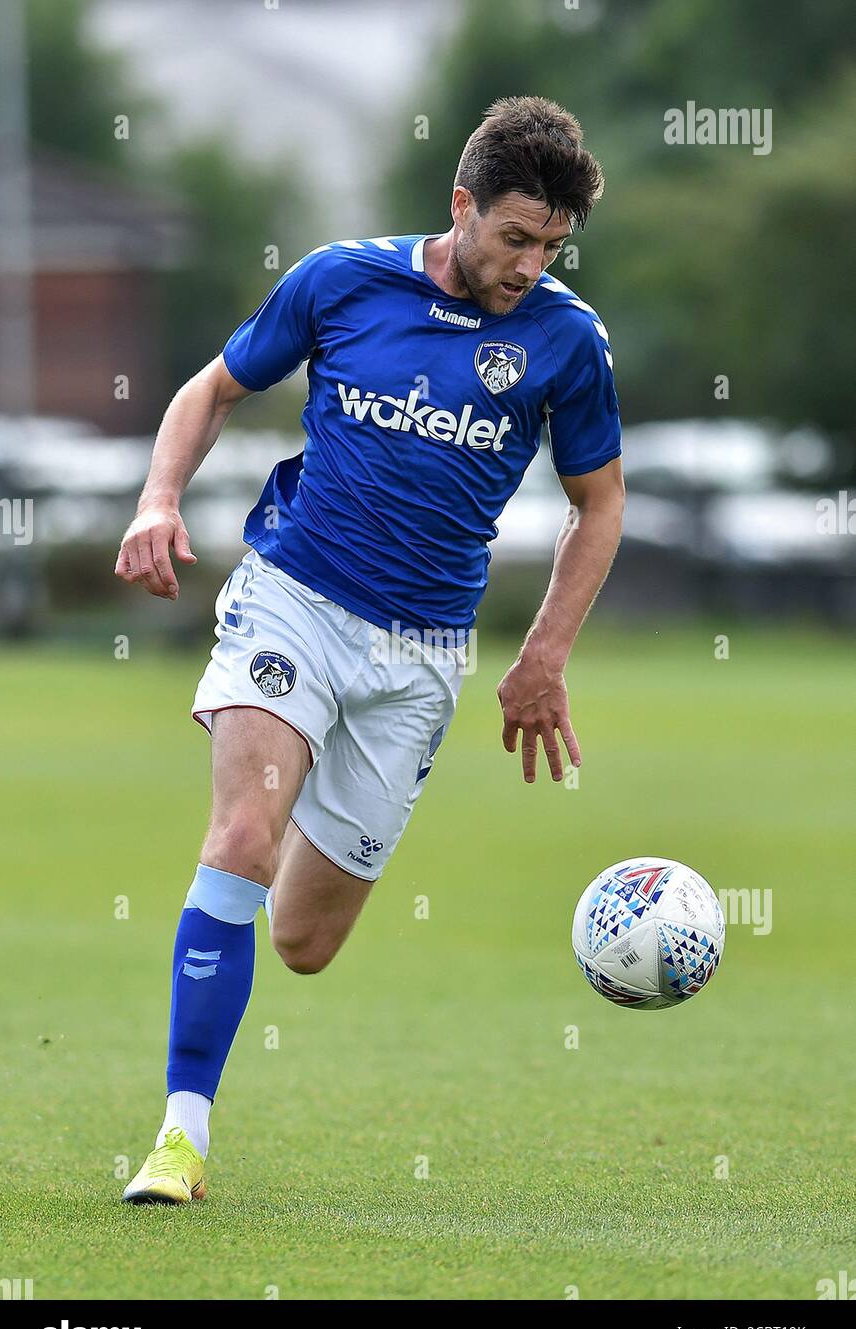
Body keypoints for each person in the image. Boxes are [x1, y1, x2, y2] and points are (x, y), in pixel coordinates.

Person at [115, 95, 624, 1203]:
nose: (530, 265)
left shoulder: (565, 341)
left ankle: (288, 777)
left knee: (300, 941)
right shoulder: (341, 280)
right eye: (514, 238)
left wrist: (542, 656)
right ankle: (179, 1138)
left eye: (551, 246)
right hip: (293, 598)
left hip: (420, 659)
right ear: (461, 205)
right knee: (242, 835)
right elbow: (213, 387)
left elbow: (598, 504)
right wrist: (159, 498)